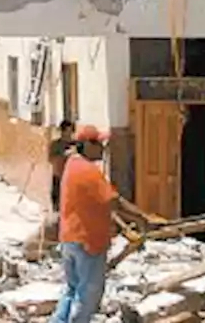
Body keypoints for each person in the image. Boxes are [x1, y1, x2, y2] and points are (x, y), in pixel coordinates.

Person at [51, 125, 118, 323]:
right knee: (88, 294)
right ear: (86, 145)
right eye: (98, 144)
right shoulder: (88, 170)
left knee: (72, 289)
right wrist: (144, 218)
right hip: (88, 240)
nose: (102, 149)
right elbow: (114, 201)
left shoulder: (71, 164)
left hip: (69, 238)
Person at [48, 121, 77, 213]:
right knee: (58, 204)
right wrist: (64, 156)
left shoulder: (76, 145)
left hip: (73, 179)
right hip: (59, 176)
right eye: (66, 131)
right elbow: (51, 159)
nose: (69, 134)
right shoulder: (55, 145)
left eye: (71, 131)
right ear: (62, 132)